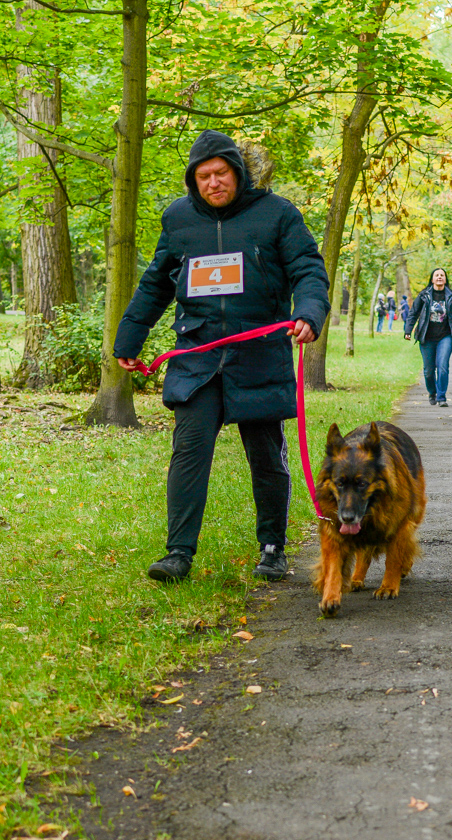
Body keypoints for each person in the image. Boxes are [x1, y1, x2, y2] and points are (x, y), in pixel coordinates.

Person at [114, 130, 330, 584]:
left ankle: (272, 548)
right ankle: (178, 553)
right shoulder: (178, 219)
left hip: (259, 354)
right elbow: (156, 282)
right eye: (204, 176)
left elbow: (308, 268)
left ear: (238, 172)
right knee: (189, 451)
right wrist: (129, 339)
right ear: (193, 181)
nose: (213, 183)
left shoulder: (277, 214)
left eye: (221, 173)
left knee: (266, 457)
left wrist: (309, 313)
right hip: (198, 356)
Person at [404, 268, 452, 406]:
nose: (439, 277)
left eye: (442, 275)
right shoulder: (424, 296)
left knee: (442, 366)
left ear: (445, 279)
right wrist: (408, 330)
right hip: (426, 337)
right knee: (428, 371)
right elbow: (413, 313)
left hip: (446, 337)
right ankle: (432, 392)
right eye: (436, 275)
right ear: (432, 279)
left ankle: (441, 397)